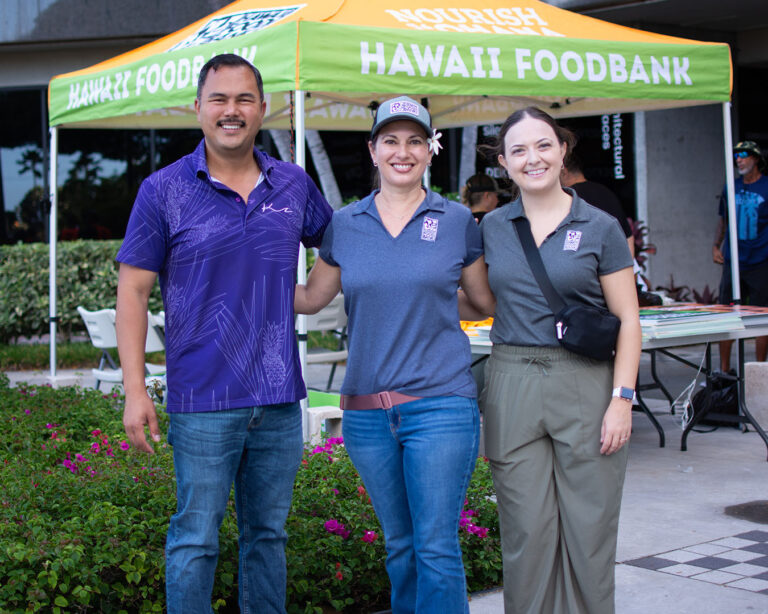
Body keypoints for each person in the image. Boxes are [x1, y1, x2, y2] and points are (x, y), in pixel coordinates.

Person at [115, 54, 333, 614]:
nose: (231, 111)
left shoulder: (293, 184)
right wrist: (135, 390)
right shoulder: (162, 190)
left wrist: (310, 296)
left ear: (263, 109)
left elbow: (340, 246)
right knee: (195, 539)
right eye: (219, 99)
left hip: (280, 399)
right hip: (202, 398)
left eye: (243, 99)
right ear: (198, 109)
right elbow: (133, 292)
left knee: (268, 538)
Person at [294, 96, 495, 614]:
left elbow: (482, 300)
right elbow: (312, 298)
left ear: (431, 151)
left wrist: (430, 293)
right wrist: (242, 269)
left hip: (440, 405)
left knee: (435, 546)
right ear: (372, 149)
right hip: (364, 413)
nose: (402, 152)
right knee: (399, 546)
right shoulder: (345, 223)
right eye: (390, 141)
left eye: (414, 141)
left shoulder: (455, 221)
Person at [479, 106, 641, 614]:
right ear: (504, 163)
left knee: (590, 529)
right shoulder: (489, 228)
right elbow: (476, 300)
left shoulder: (599, 226)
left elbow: (629, 319)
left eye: (544, 145)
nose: (534, 158)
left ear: (563, 150)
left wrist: (622, 400)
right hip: (511, 380)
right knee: (526, 531)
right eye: (520, 150)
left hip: (586, 384)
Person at [712, 140, 768, 371]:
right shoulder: (730, 187)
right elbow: (723, 219)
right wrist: (716, 245)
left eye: (744, 155)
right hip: (733, 261)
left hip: (761, 260)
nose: (739, 159)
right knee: (727, 314)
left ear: (756, 159)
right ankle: (724, 371)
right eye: (736, 155)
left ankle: (760, 370)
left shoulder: (766, 186)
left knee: (761, 317)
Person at [561, 153, 635, 257]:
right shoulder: (606, 192)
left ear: (564, 172)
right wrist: (627, 268)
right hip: (615, 264)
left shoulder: (568, 197)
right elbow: (628, 237)